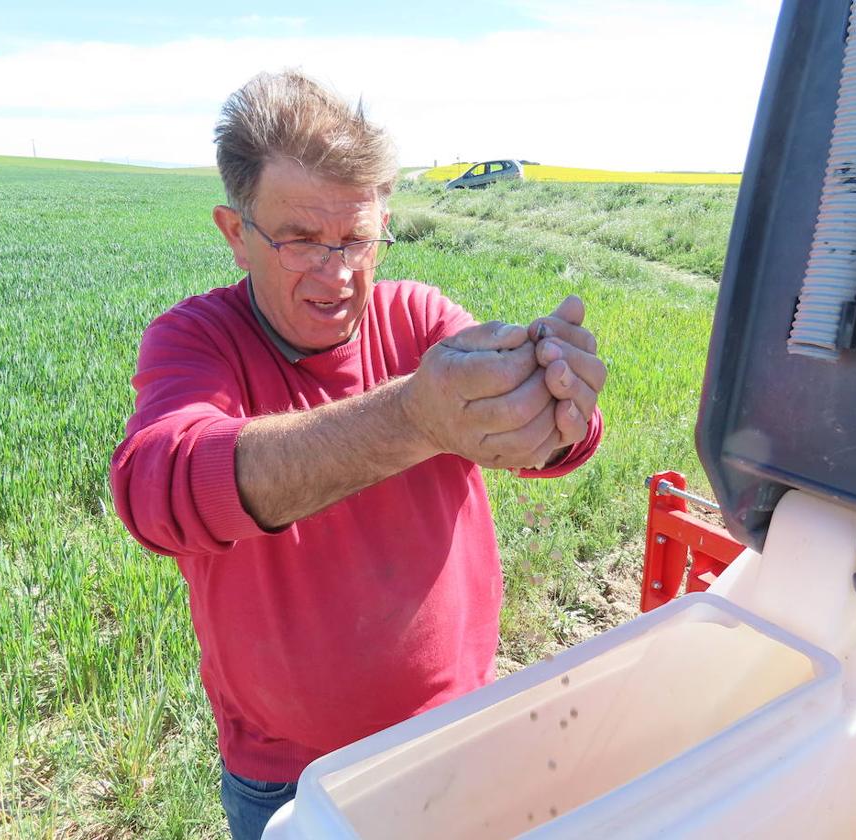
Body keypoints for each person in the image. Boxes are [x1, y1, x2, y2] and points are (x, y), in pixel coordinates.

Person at [110, 70, 605, 839]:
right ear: (236, 234)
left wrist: (556, 409)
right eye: (301, 240)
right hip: (290, 778)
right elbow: (159, 491)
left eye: (356, 239)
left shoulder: (421, 317)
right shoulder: (197, 342)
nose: (337, 274)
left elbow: (535, 448)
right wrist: (412, 416)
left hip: (454, 732)